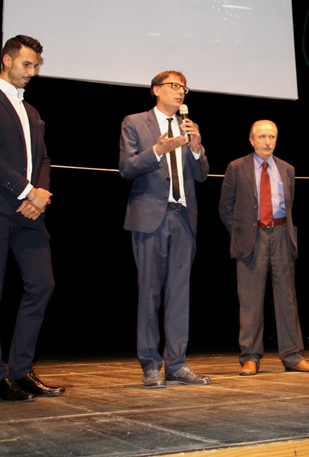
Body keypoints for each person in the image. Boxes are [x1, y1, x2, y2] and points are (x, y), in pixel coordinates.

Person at [0, 35, 65, 401]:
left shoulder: (31, 111)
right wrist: (27, 191)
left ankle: (21, 369)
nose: (32, 71)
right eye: (27, 64)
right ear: (7, 60)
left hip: (29, 211)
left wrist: (40, 194)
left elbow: (44, 159)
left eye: (36, 66)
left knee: (43, 284)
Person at [119, 71, 211, 388]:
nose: (180, 91)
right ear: (156, 90)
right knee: (150, 293)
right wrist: (157, 150)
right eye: (174, 86)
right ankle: (150, 364)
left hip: (183, 219)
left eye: (183, 87)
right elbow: (126, 168)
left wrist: (196, 148)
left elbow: (201, 174)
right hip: (150, 219)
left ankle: (177, 364)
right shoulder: (135, 122)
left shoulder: (188, 127)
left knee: (179, 294)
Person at [218, 121, 309, 376]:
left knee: (287, 299)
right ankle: (250, 357)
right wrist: (242, 233)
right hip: (252, 237)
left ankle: (293, 356)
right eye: (262, 136)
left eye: (272, 137)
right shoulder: (236, 167)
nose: (267, 141)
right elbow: (225, 208)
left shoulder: (287, 168)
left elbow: (290, 204)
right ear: (251, 140)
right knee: (251, 301)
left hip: (281, 234)